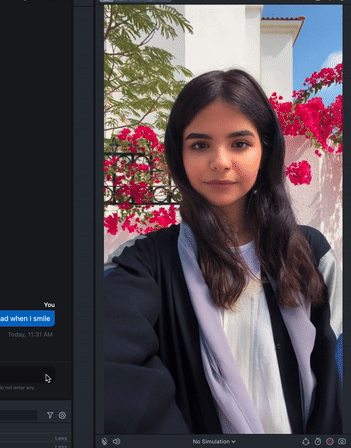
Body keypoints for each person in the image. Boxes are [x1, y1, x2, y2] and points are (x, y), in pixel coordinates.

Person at [104, 69, 342, 434]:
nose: (220, 161)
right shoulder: (147, 262)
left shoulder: (310, 253)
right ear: (179, 155)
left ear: (265, 150)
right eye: (200, 145)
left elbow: (334, 373)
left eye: (240, 143)